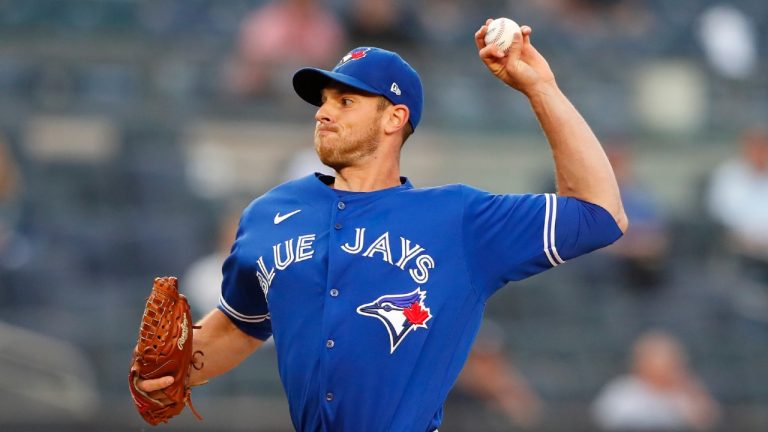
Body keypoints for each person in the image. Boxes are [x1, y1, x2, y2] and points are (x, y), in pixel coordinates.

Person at [135, 19, 628, 431]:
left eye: (345, 102)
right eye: (323, 101)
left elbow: (600, 213)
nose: (324, 113)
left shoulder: (459, 220)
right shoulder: (269, 213)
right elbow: (240, 326)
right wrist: (176, 366)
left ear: (394, 118)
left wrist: (540, 87)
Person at [592, 330, 720, 431]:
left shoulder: (684, 393)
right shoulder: (623, 390)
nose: (668, 368)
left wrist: (691, 390)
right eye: (660, 361)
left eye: (672, 361)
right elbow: (609, 419)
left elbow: (706, 421)